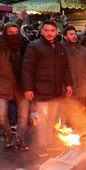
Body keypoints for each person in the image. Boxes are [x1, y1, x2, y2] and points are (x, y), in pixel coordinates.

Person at [21, 20, 73, 153]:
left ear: (56, 32)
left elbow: (66, 68)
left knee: (51, 120)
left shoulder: (60, 47)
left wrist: (68, 84)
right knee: (42, 121)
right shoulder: (34, 46)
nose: (49, 33)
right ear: (42, 31)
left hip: (55, 91)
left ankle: (49, 143)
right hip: (40, 91)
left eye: (52, 31)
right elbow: (27, 69)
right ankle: (42, 146)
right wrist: (28, 88)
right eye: (46, 30)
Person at [0, 23, 30, 150]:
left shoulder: (25, 46)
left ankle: (20, 139)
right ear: (5, 33)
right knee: (1, 115)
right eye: (11, 32)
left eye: (16, 32)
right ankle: (8, 135)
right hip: (2, 85)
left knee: (24, 116)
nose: (14, 35)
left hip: (21, 85)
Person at [61, 25, 86, 129]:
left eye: (75, 34)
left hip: (83, 87)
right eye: (71, 34)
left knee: (83, 111)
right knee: (70, 112)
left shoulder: (83, 50)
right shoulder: (61, 50)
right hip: (69, 87)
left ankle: (82, 132)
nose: (74, 36)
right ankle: (71, 134)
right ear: (65, 37)